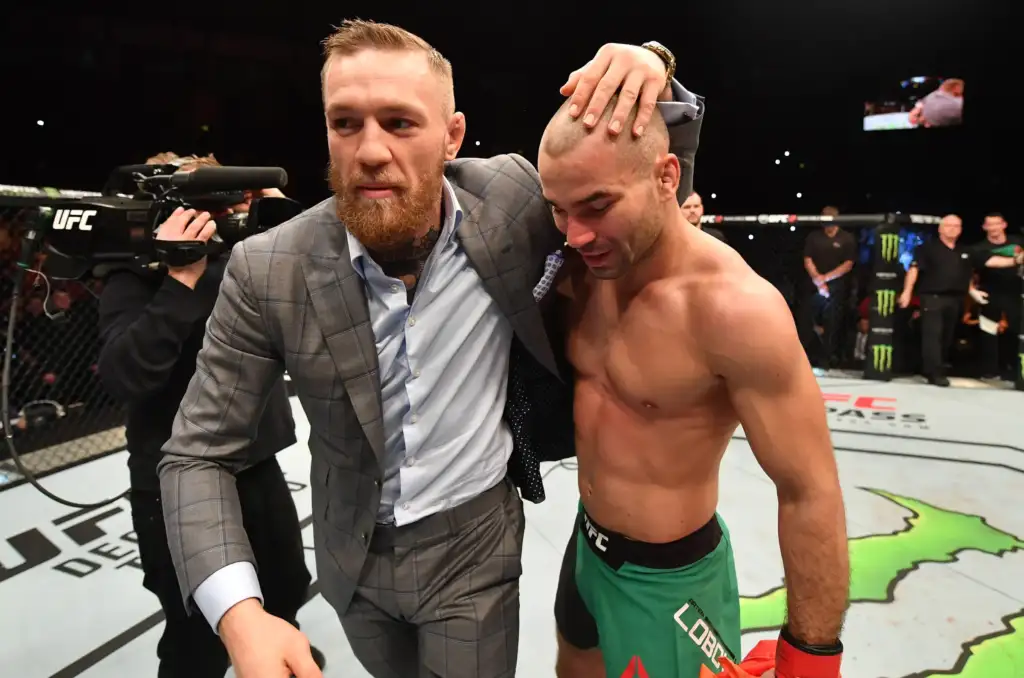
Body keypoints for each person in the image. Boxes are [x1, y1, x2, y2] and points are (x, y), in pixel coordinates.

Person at [156, 19, 704, 678]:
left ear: (453, 137)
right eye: (346, 123)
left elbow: (647, 197)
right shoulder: (268, 268)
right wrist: (239, 616)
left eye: (400, 122)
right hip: (351, 555)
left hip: (475, 547)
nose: (371, 151)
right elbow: (196, 453)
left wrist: (654, 70)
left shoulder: (513, 197)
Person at [539, 98, 848, 678]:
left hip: (670, 583)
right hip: (585, 547)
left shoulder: (735, 310)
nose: (576, 233)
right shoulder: (579, 268)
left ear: (666, 176)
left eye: (597, 206)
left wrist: (810, 659)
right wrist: (651, 57)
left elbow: (809, 489)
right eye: (558, 209)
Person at [96, 153, 324, 678]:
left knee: (286, 585)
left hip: (253, 462)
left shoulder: (244, 257)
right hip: (171, 480)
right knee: (196, 631)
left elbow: (318, 273)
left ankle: (282, 655)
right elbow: (122, 376)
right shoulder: (138, 273)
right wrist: (181, 277)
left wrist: (275, 211)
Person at [968, 213, 1023, 381]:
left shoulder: (1019, 241)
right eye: (989, 225)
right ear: (984, 227)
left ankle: (1016, 371)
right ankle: (990, 371)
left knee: (1017, 332)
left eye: (996, 224)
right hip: (990, 293)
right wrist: (1017, 260)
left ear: (1004, 224)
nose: (993, 228)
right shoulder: (978, 248)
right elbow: (991, 262)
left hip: (1017, 293)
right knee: (988, 333)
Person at [801, 206, 857, 369]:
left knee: (832, 322)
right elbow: (807, 258)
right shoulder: (814, 237)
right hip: (814, 285)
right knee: (808, 321)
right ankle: (807, 357)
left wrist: (826, 278)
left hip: (836, 286)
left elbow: (848, 264)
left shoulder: (847, 238)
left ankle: (828, 357)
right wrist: (817, 279)